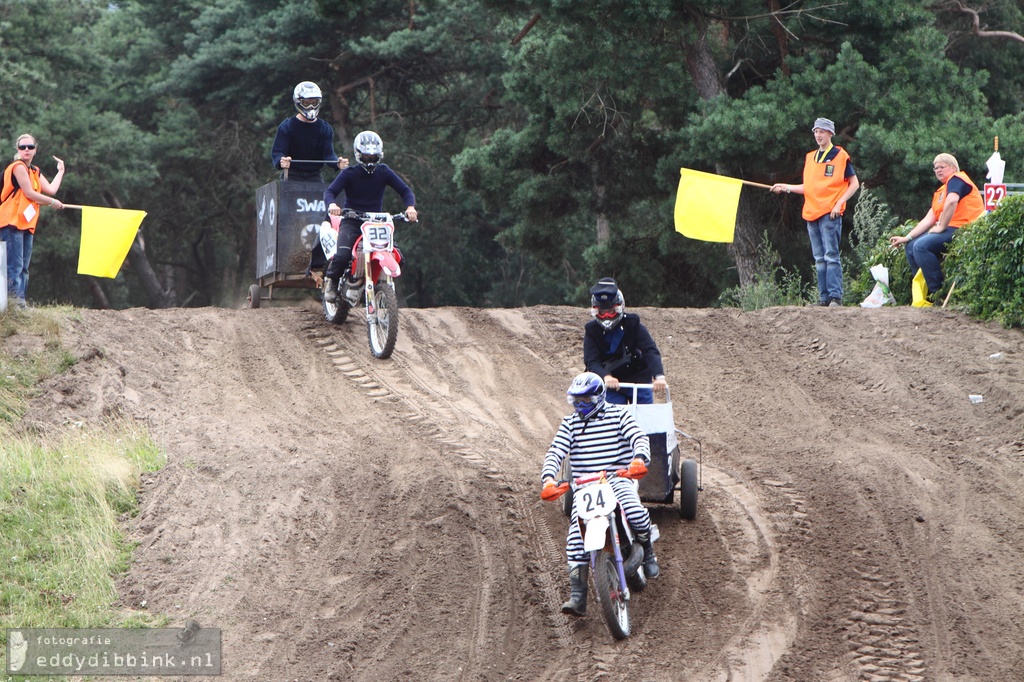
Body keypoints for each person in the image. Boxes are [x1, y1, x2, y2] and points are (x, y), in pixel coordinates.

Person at [541, 372, 659, 617]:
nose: (580, 405)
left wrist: (638, 458)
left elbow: (638, 436)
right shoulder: (570, 423)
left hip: (618, 479)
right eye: (576, 400)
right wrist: (549, 479)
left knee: (635, 512)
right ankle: (578, 596)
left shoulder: (619, 414)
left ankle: (647, 552)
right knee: (575, 536)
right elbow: (555, 452)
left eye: (585, 400)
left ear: (598, 397)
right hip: (585, 488)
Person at [771, 117, 860, 307]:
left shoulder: (840, 155)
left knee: (831, 255)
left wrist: (839, 203)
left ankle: (835, 297)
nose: (818, 135)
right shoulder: (810, 157)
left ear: (830, 133)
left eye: (822, 131)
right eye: (816, 132)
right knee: (819, 258)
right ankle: (823, 298)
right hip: (811, 212)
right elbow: (809, 187)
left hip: (830, 212)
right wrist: (785, 187)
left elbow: (854, 184)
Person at [322, 130, 417, 304]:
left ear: (379, 155)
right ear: (359, 154)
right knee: (342, 255)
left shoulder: (384, 172)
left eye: (373, 156)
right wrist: (333, 205)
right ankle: (332, 282)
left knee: (398, 257)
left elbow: (405, 190)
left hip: (376, 223)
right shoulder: (350, 173)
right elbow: (330, 191)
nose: (370, 160)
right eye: (366, 156)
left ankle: (376, 282)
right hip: (352, 220)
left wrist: (410, 207)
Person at [888, 153, 984, 297]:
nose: (938, 170)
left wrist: (941, 226)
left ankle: (937, 293)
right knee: (910, 246)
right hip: (950, 228)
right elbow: (928, 219)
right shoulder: (941, 191)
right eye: (935, 168)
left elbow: (952, 201)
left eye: (942, 167)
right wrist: (906, 237)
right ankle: (924, 293)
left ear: (953, 168)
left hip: (963, 228)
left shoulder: (957, 179)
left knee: (921, 246)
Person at [0, 134, 65, 309]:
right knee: (15, 265)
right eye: (22, 147)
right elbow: (29, 193)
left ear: (35, 149)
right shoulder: (18, 167)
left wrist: (61, 171)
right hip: (11, 222)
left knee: (24, 267)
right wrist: (52, 203)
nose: (26, 150)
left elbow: (51, 189)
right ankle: (16, 304)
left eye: (29, 147)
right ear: (18, 150)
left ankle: (20, 303)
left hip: (27, 223)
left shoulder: (35, 171)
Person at [583, 278, 667, 405]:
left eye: (610, 311)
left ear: (619, 307)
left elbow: (649, 349)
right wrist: (606, 376)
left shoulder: (633, 324)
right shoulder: (591, 330)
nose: (606, 316)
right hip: (611, 384)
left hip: (639, 381)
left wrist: (659, 376)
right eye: (602, 312)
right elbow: (591, 360)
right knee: (614, 418)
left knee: (644, 419)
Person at [270, 81, 348, 182]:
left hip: (315, 176)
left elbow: (328, 155)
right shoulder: (287, 126)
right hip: (291, 176)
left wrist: (338, 163)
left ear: (319, 102)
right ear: (298, 102)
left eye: (314, 103)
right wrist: (281, 161)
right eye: (306, 103)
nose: (311, 107)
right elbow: (278, 152)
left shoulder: (325, 128)